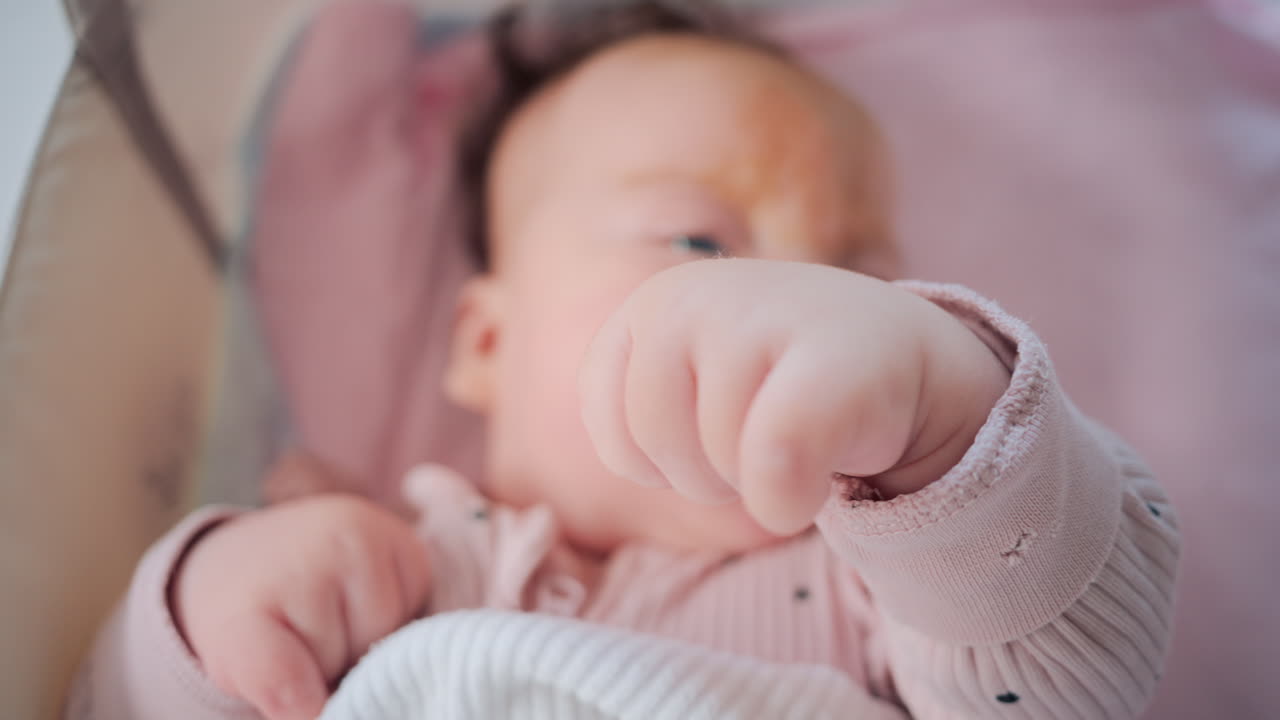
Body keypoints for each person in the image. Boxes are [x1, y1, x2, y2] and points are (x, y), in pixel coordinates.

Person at [67, 2, 1179, 719]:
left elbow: (1061, 685)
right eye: (697, 240)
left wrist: (944, 420)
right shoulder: (380, 571)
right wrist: (203, 618)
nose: (783, 299)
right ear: (485, 342)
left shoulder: (878, 594)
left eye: (854, 277)